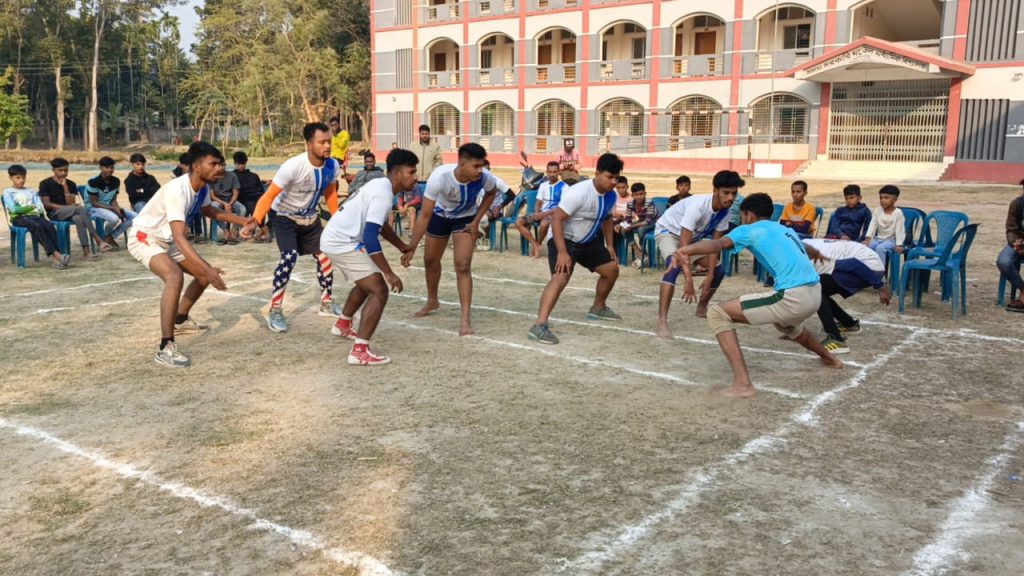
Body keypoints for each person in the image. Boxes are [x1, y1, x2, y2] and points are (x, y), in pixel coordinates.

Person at [674, 193, 843, 398]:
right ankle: (829, 358)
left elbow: (717, 245)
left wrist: (686, 249)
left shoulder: (748, 229)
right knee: (785, 324)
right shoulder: (784, 229)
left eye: (742, 215)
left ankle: (743, 384)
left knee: (717, 313)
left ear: (749, 215)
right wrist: (816, 253)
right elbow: (806, 248)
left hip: (794, 296)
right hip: (815, 294)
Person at [128, 141, 254, 368]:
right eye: (213, 164)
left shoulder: (203, 188)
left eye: (220, 164)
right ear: (197, 166)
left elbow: (210, 211)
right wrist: (206, 267)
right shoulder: (178, 189)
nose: (220, 168)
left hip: (166, 238)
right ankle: (165, 348)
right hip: (145, 237)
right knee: (174, 276)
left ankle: (180, 319)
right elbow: (180, 237)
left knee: (204, 276)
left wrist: (243, 220)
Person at [320, 149, 418, 365]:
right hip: (342, 241)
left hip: (339, 239)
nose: (415, 177)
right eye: (411, 172)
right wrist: (389, 273)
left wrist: (402, 246)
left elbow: (381, 225)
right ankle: (360, 351)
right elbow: (370, 237)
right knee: (379, 289)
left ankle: (343, 325)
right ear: (397, 173)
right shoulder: (383, 192)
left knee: (367, 282)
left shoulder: (382, 187)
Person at [244, 122, 343, 332]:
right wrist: (256, 220)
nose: (327, 146)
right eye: (322, 142)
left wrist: (337, 219)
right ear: (309, 144)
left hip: (311, 218)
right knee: (289, 259)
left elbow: (331, 193)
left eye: (329, 142)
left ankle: (326, 302)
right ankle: (275, 310)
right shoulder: (293, 166)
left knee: (326, 258)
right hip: (285, 217)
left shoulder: (332, 165)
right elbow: (269, 196)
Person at [400, 142, 503, 336]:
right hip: (440, 216)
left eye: (482, 166)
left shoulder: (485, 178)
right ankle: (432, 300)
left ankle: (465, 319)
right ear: (461, 163)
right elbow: (424, 215)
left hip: (465, 219)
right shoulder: (440, 177)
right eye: (476, 166)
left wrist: (477, 220)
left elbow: (491, 194)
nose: (481, 170)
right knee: (430, 261)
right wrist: (412, 246)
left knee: (462, 265)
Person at [528, 153, 624, 345]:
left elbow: (606, 218)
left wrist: (610, 245)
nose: (613, 182)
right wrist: (563, 253)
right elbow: (556, 219)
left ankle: (598, 308)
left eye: (616, 177)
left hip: (588, 241)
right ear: (597, 173)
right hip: (564, 240)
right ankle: (539, 326)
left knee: (611, 270)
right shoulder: (579, 192)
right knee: (561, 277)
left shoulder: (611, 195)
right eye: (609, 177)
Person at [654, 170, 740, 338]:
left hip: (692, 239)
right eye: (726, 192)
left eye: (734, 193)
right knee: (673, 266)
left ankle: (702, 307)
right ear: (715, 190)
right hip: (668, 233)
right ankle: (662, 321)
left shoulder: (725, 212)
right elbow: (683, 247)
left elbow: (715, 246)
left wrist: (709, 275)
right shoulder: (698, 206)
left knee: (718, 271)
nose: (730, 198)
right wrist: (688, 279)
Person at [803, 239, 890, 354]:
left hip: (868, 268)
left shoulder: (813, 259)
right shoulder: (801, 244)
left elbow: (854, 264)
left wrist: (880, 286)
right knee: (817, 290)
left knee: (815, 289)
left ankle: (836, 340)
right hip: (863, 263)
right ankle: (849, 324)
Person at [38, 157, 111, 257]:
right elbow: (47, 204)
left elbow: (70, 202)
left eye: (66, 170)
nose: (63, 173)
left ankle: (87, 252)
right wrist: (64, 208)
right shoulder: (45, 183)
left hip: (71, 212)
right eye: (60, 170)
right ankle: (97, 238)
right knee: (80, 209)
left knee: (79, 218)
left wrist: (65, 188)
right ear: (53, 170)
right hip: (55, 213)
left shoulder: (71, 184)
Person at [4, 165, 70, 269]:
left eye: (23, 177)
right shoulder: (8, 192)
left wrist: (29, 208)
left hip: (35, 216)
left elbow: (40, 208)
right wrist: (31, 207)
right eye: (18, 178)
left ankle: (56, 260)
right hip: (19, 219)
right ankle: (57, 255)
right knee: (36, 226)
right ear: (11, 178)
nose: (21, 180)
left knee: (49, 226)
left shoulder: (31, 191)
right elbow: (15, 210)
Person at [517, 161, 565, 258]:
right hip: (542, 213)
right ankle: (535, 244)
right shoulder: (543, 185)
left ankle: (538, 243)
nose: (552, 174)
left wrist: (544, 214)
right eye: (550, 172)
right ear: (547, 172)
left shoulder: (564, 187)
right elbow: (538, 202)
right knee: (519, 222)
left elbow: (562, 207)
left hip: (555, 214)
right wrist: (536, 211)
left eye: (554, 172)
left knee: (544, 223)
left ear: (559, 172)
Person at [86, 156, 136, 248]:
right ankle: (105, 236)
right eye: (107, 167)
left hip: (108, 207)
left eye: (112, 167)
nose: (110, 170)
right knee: (114, 218)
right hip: (93, 208)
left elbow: (113, 200)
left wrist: (117, 208)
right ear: (100, 168)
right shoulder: (93, 182)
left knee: (135, 217)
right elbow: (94, 203)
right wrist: (113, 208)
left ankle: (110, 236)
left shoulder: (116, 181)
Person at [862, 184, 906, 265]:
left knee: (880, 249)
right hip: (878, 239)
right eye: (881, 198)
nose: (882, 200)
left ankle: (880, 271)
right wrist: (868, 238)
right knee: (866, 246)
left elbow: (900, 230)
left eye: (886, 198)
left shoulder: (898, 213)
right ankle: (869, 270)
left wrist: (899, 244)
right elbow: (873, 225)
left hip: (891, 240)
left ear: (895, 199)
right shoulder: (877, 211)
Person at [998, 179, 1024, 312]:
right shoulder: (1017, 204)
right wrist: (1016, 243)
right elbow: (1011, 228)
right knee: (1003, 261)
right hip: (1019, 243)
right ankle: (1022, 288)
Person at [232, 151, 270, 242]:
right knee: (254, 206)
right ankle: (260, 229)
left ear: (246, 163)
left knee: (270, 207)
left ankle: (264, 229)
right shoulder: (232, 176)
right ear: (235, 163)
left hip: (257, 197)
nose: (241, 166)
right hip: (244, 198)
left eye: (243, 164)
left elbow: (261, 189)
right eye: (239, 164)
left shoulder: (253, 176)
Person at [620, 182, 658, 268]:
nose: (639, 196)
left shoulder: (649, 202)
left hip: (654, 221)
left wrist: (632, 226)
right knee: (624, 230)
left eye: (641, 194)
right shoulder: (630, 204)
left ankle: (644, 250)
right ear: (632, 195)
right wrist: (622, 225)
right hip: (642, 221)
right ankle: (640, 253)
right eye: (636, 194)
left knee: (641, 230)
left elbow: (647, 221)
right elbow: (628, 219)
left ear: (645, 194)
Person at [172, 153, 205, 244]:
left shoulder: (196, 175)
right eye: (186, 166)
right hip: (180, 201)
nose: (189, 168)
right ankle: (183, 233)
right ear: (181, 165)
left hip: (194, 201)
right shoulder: (175, 175)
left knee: (197, 212)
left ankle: (198, 234)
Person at [210, 162, 245, 245]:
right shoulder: (212, 176)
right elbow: (212, 196)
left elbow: (236, 193)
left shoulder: (232, 175)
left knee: (242, 209)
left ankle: (233, 232)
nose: (221, 167)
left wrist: (229, 204)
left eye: (223, 165)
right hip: (218, 200)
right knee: (213, 207)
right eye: (219, 165)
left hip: (230, 200)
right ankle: (225, 231)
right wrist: (224, 204)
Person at [409, 124, 444, 200]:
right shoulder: (413, 146)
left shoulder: (435, 146)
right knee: (414, 206)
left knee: (428, 205)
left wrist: (433, 172)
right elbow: (409, 161)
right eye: (422, 134)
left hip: (429, 182)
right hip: (415, 182)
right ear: (419, 134)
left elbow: (439, 161)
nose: (424, 136)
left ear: (429, 134)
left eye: (426, 134)